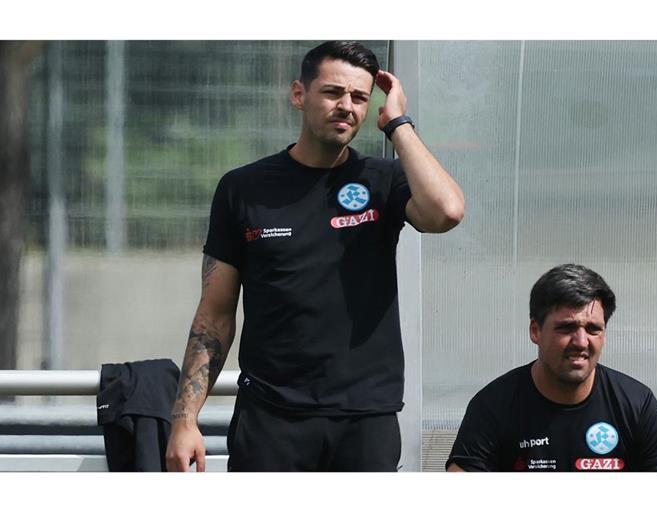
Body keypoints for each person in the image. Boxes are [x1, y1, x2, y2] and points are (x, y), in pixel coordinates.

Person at [165, 41, 465, 472]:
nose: (347, 106)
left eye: (360, 97)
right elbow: (214, 316)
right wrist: (184, 418)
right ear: (298, 94)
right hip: (271, 418)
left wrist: (398, 123)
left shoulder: (383, 180)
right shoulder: (243, 188)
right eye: (333, 92)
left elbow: (447, 212)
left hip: (365, 418)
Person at [446, 264, 657, 472]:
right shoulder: (493, 406)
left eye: (593, 329)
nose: (581, 342)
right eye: (567, 328)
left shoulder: (636, 404)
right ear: (535, 331)